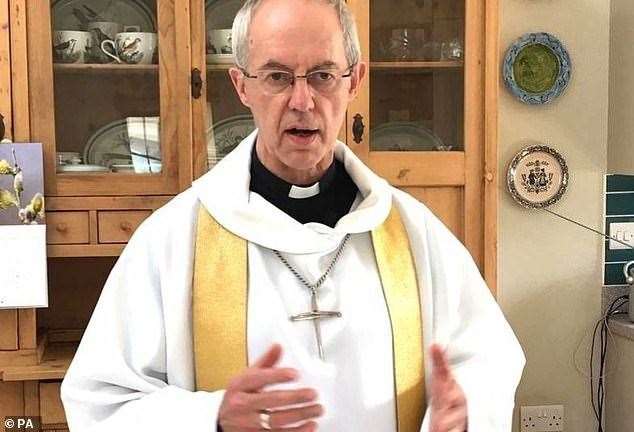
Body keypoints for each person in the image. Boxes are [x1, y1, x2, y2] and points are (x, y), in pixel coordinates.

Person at [60, 0, 525, 431]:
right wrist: (210, 418)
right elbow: (101, 399)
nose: (302, 101)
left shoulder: (413, 230)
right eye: (278, 76)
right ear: (241, 85)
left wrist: (465, 414)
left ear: (355, 80)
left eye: (322, 75)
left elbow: (487, 360)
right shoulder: (172, 238)